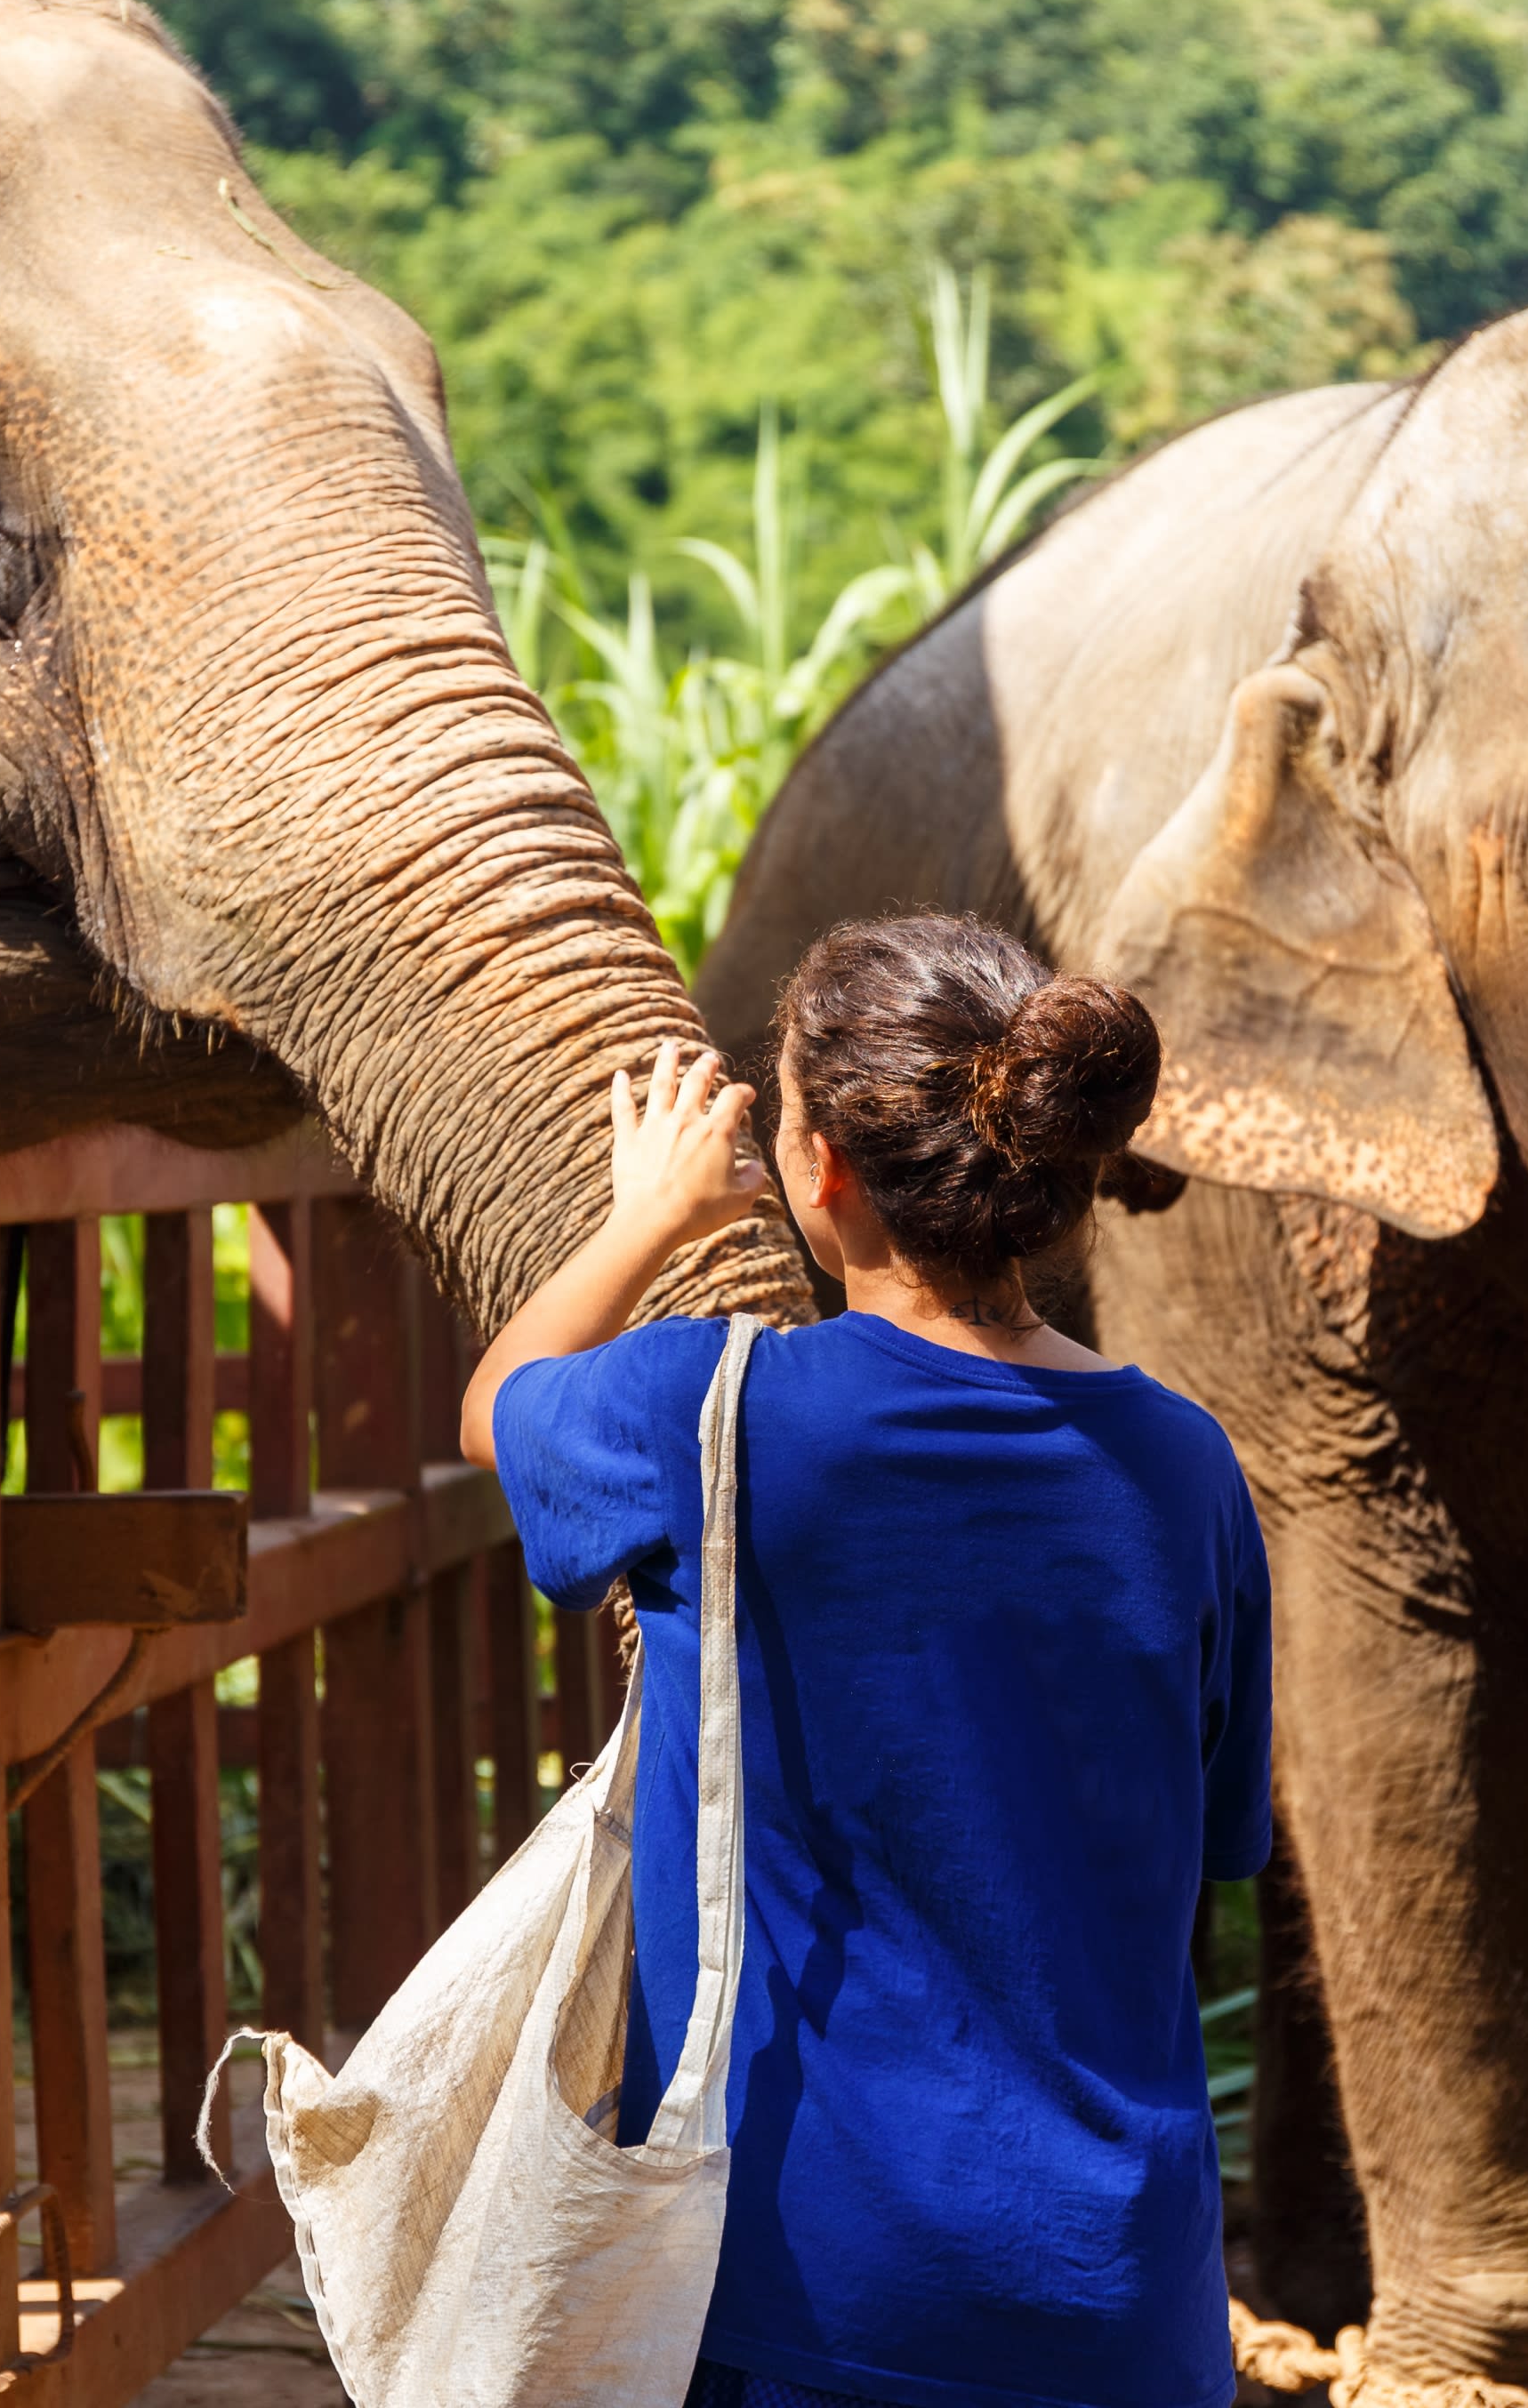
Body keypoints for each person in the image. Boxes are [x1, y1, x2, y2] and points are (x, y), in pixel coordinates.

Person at [462, 912, 1275, 2408]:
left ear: (817, 1172)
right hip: (1119, 2299)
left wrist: (646, 1214)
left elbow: (497, 1410)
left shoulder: (709, 1412)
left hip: (798, 2289)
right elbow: (1219, 1836)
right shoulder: (1187, 1468)